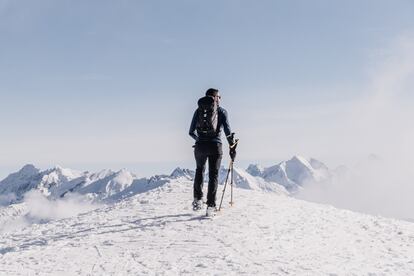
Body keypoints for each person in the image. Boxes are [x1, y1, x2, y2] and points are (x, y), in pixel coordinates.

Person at [189, 88, 236, 216]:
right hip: (215, 146)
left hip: (200, 147)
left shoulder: (198, 111)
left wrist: (199, 140)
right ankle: (210, 207)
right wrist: (232, 146)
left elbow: (190, 132)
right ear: (215, 98)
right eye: (219, 97)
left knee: (199, 171)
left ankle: (197, 200)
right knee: (213, 176)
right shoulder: (222, 112)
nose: (220, 99)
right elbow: (227, 132)